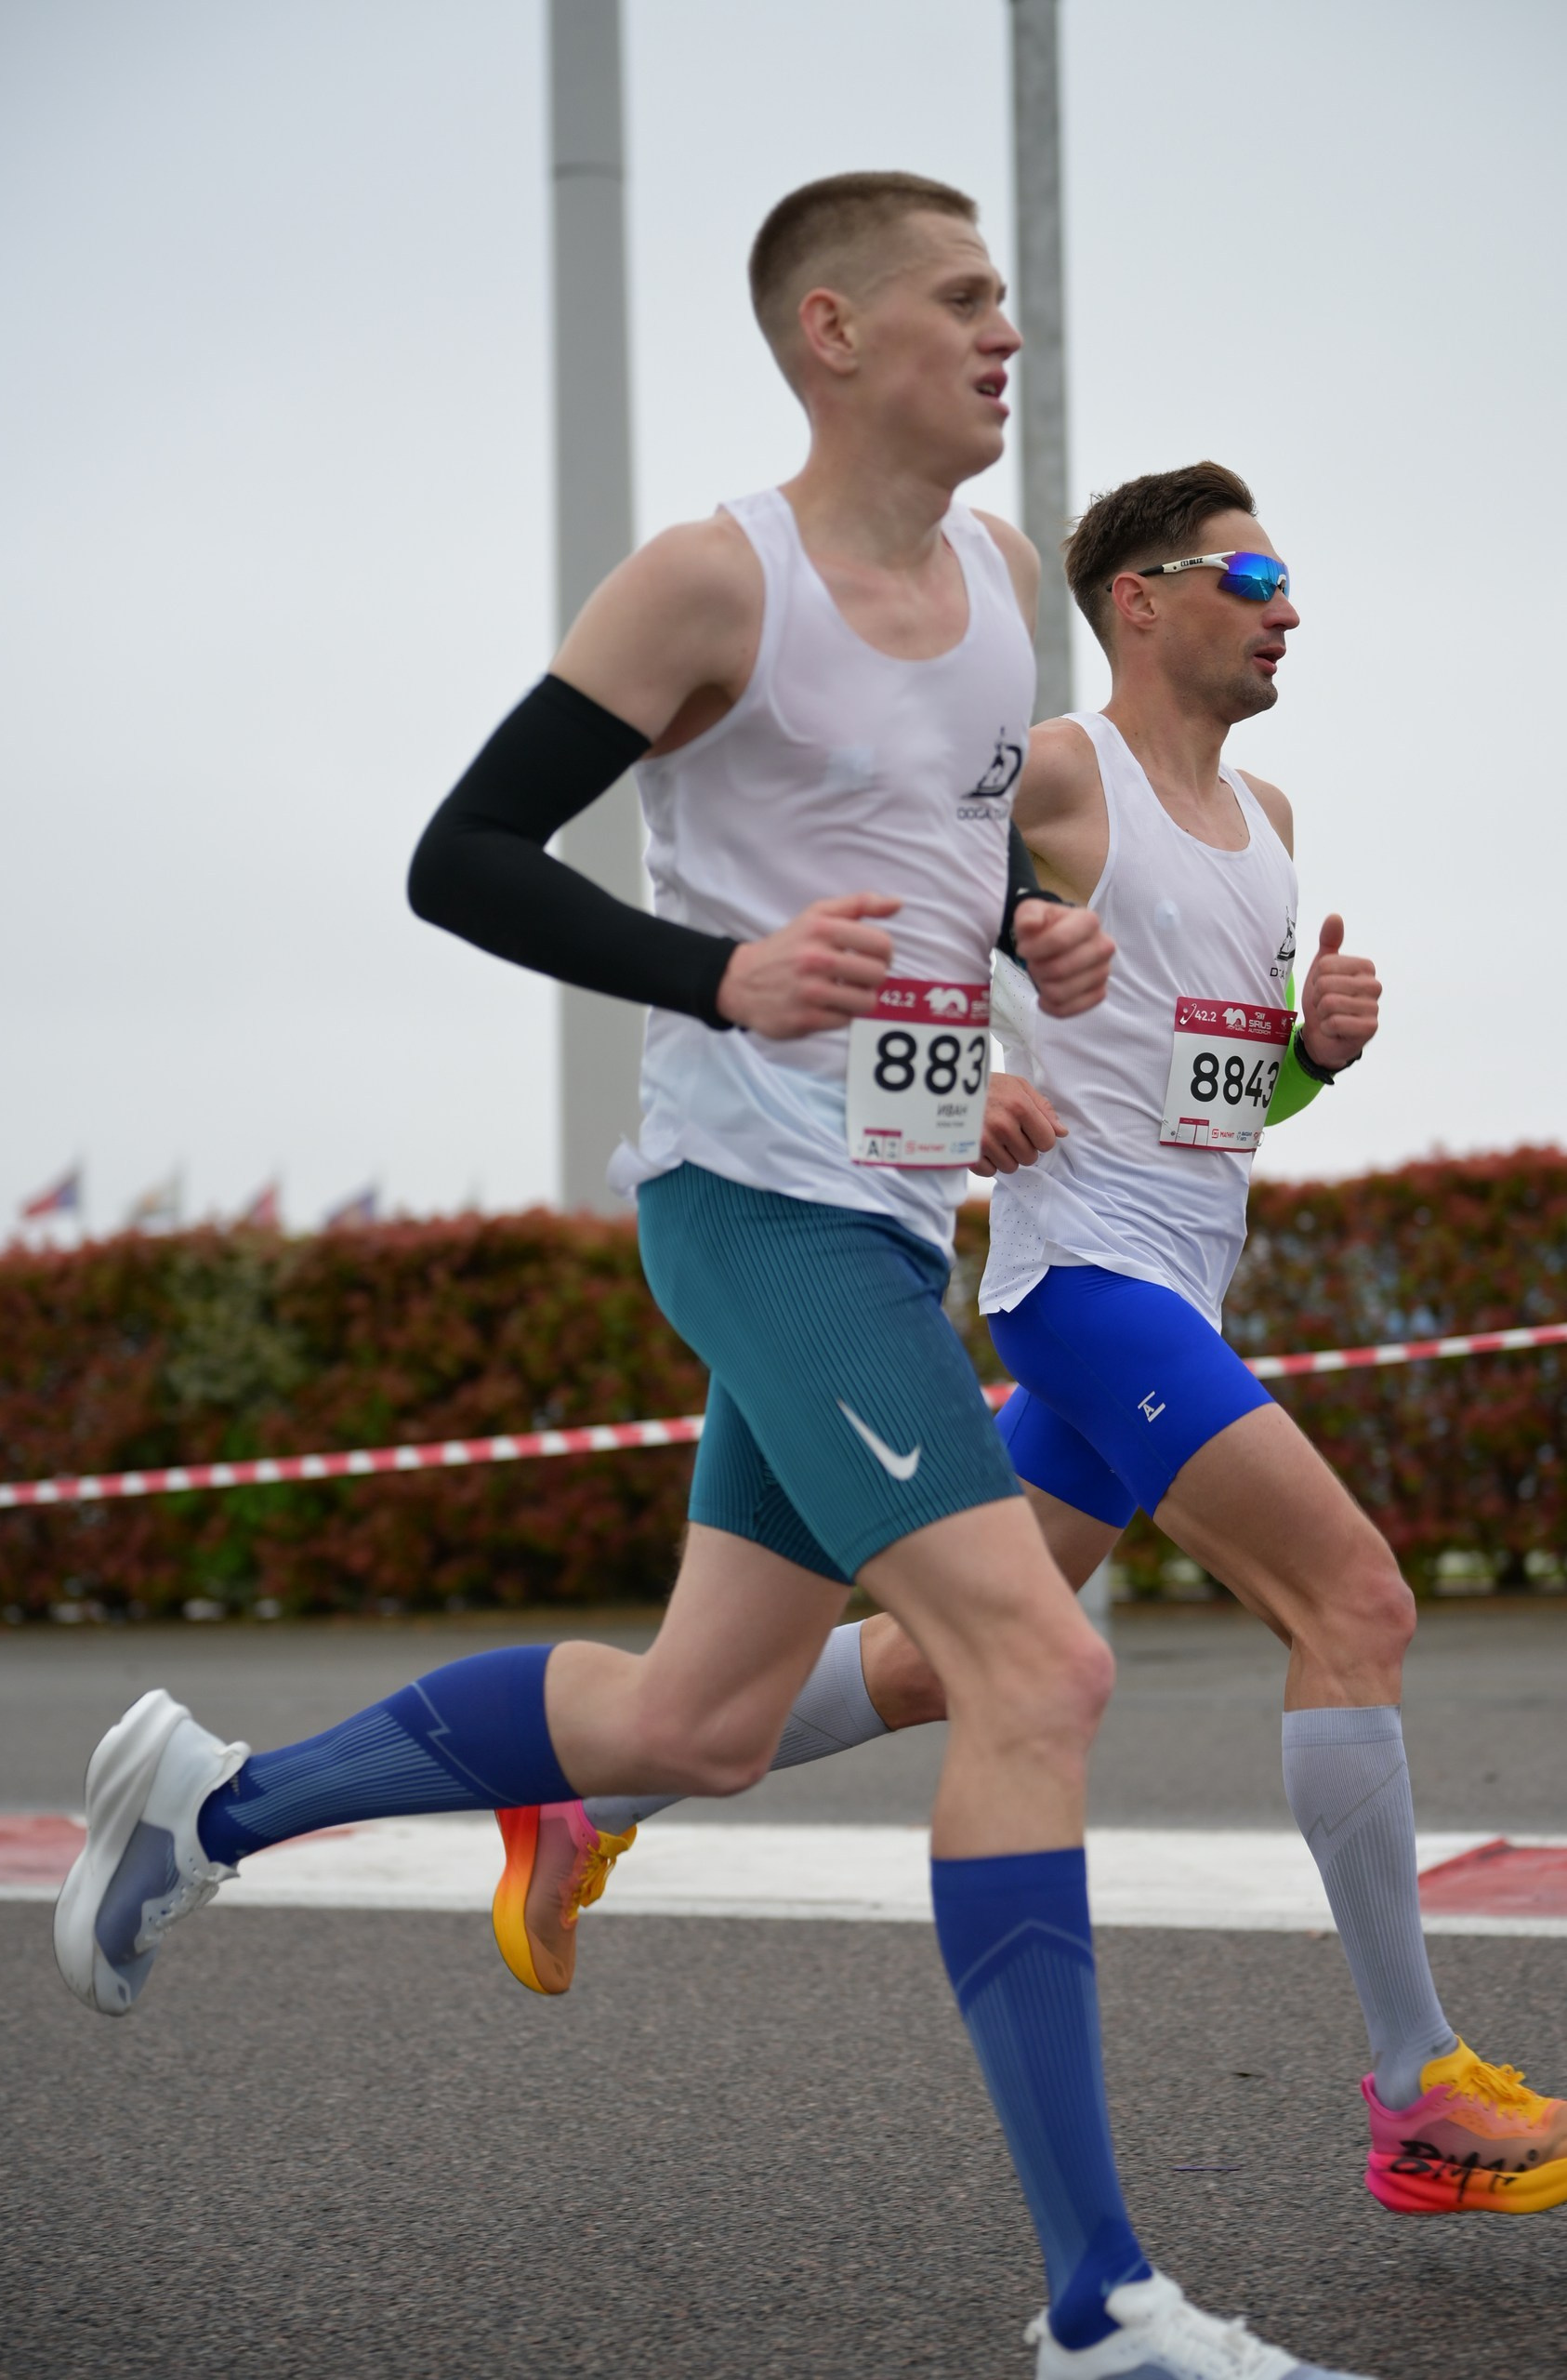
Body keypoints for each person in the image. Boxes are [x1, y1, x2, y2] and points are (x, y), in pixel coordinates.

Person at [54, 181, 1375, 2380]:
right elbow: (459, 855)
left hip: (886, 1210)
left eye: (1008, 299)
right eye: (963, 298)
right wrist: (720, 972)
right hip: (752, 1203)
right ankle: (1104, 2307)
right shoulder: (711, 580)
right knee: (1034, 1662)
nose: (1004, 331)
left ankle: (212, 1799)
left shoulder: (996, 586)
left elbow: (937, 864)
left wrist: (1025, 953)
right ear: (831, 332)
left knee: (698, 1722)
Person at [525, 459, 1567, 2229]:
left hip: (1170, 1289)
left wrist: (1311, 1058)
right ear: (1140, 601)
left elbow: (1209, 1104)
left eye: (1287, 578)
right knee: (1357, 1604)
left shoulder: (1271, 818)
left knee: (934, 1663)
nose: (1287, 608)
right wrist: (963, 1081)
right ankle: (1414, 2092)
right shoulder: (1063, 773)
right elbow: (891, 897)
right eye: (1252, 577)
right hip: (1083, 1290)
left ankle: (602, 1795)